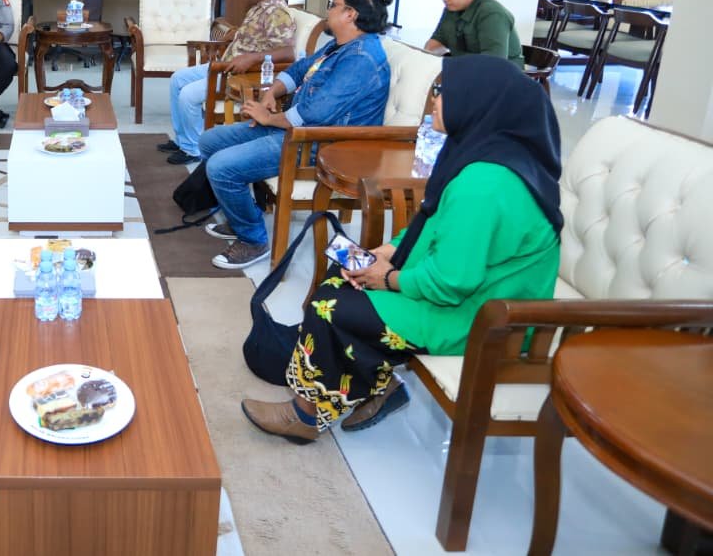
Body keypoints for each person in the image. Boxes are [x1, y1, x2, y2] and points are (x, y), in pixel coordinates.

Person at [240, 55, 562, 442]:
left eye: (443, 92)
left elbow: (452, 282)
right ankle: (373, 386)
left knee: (334, 305)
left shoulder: (485, 184)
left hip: (483, 316)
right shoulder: (482, 154)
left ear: (476, 103)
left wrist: (389, 279)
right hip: (468, 291)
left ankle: (306, 416)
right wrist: (390, 251)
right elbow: (434, 223)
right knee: (343, 274)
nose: (434, 101)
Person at [198, 0, 393, 270]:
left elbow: (317, 113)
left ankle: (253, 239)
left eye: (334, 4)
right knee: (209, 142)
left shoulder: (361, 59)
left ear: (350, 14)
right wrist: (271, 93)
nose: (329, 10)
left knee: (221, 167)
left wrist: (269, 119)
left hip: (318, 143)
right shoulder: (340, 46)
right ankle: (244, 215)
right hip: (294, 129)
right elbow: (301, 68)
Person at [157, 0, 297, 164]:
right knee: (177, 79)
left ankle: (193, 149)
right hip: (226, 66)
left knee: (188, 95)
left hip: (240, 75)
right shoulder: (261, 9)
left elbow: (288, 52)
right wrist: (237, 33)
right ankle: (183, 141)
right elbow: (260, 38)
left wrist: (252, 58)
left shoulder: (278, 13)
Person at [425, 0, 523, 67]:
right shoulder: (451, 10)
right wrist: (426, 58)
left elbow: (494, 64)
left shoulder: (492, 14)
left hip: (499, 75)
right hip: (465, 70)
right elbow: (435, 44)